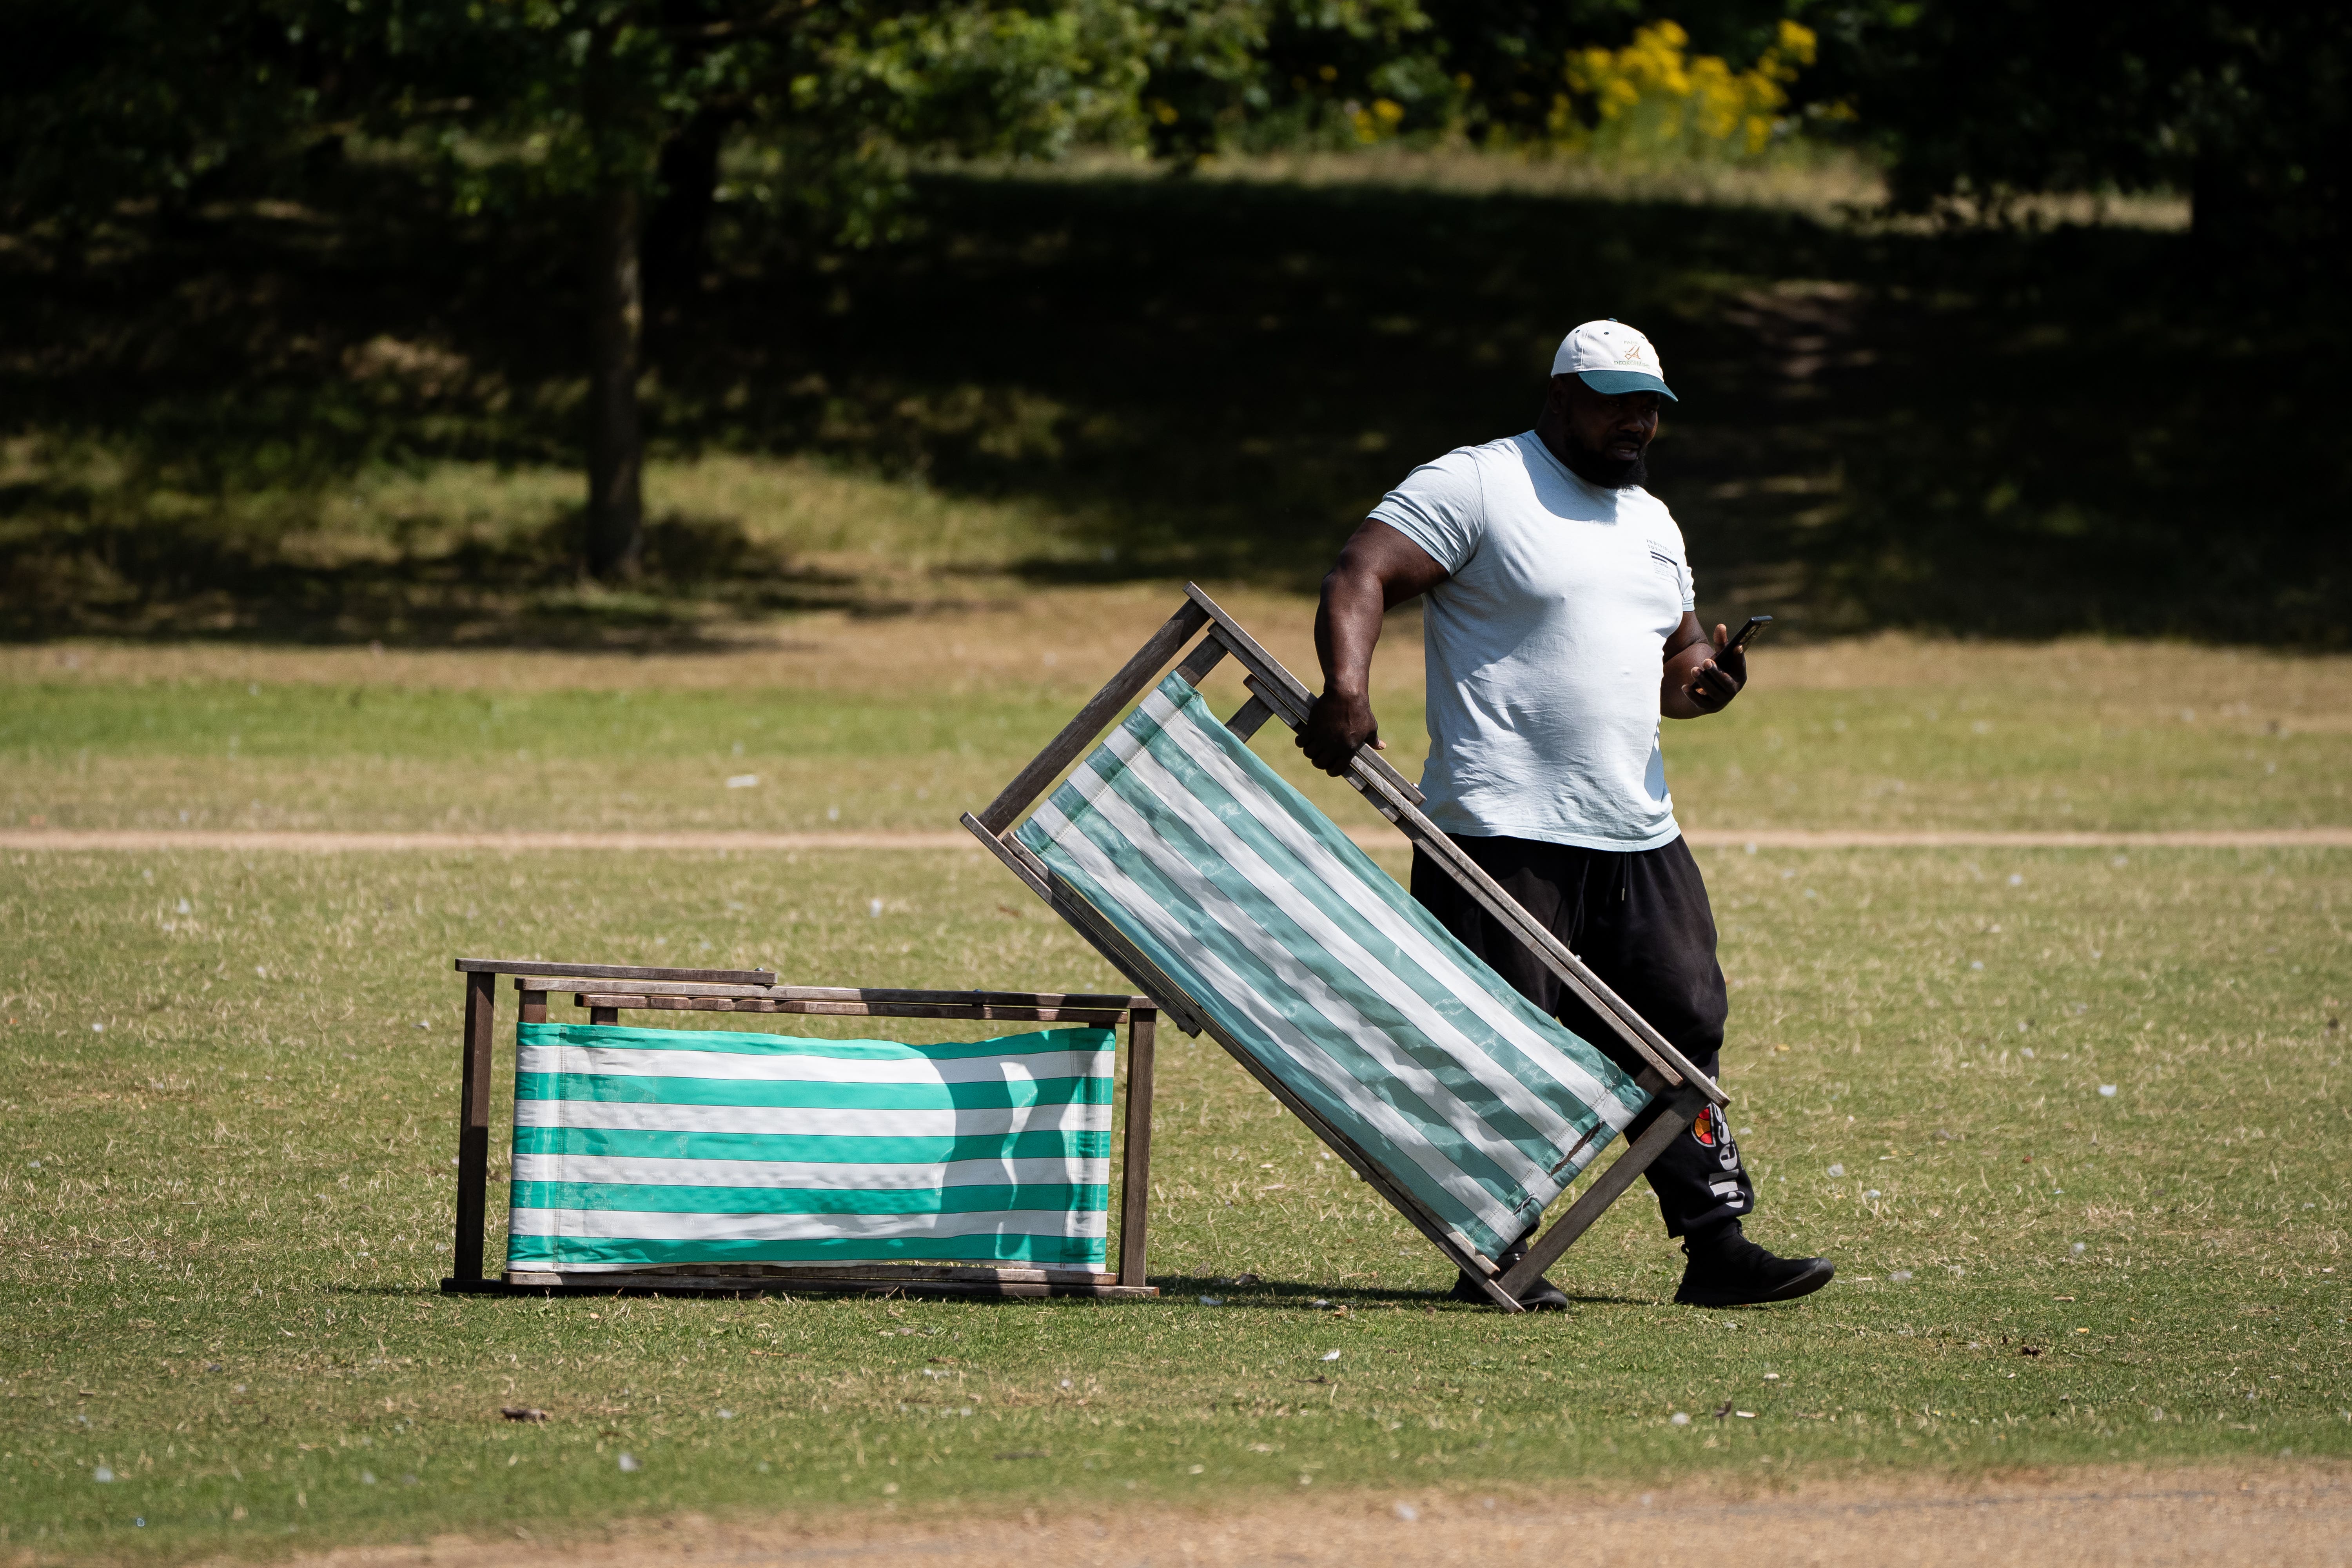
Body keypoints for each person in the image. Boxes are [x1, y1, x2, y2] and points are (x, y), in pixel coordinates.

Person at [1296, 319, 1833, 1311]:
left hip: (1636, 830)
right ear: (1560, 396)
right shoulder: (1482, 484)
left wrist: (1703, 683)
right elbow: (1359, 570)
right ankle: (1493, 1252)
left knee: (1684, 1021)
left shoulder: (1654, 524)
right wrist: (1345, 687)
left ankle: (1716, 1246)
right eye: (1617, 401)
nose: (1636, 422)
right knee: (1508, 1040)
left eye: (1652, 408)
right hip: (1503, 830)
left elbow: (1672, 663)